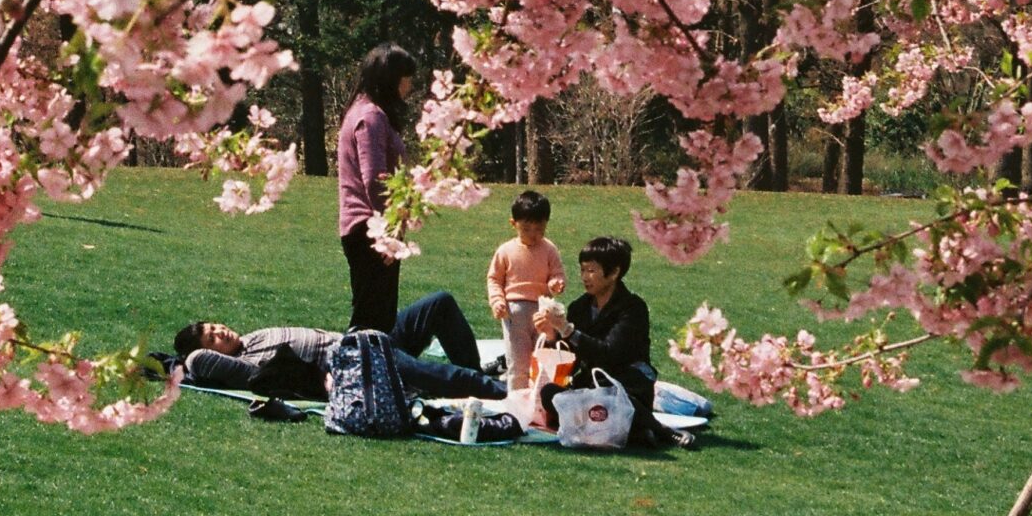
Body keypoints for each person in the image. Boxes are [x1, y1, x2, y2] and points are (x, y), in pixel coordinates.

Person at [171, 289, 503, 402]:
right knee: (424, 372)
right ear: (211, 352)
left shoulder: (253, 337)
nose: (222, 332)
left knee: (439, 303)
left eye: (217, 326)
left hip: (364, 338)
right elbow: (199, 361)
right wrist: (186, 361)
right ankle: (494, 391)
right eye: (213, 337)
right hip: (355, 363)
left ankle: (472, 375)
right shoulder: (250, 367)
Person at [533, 234, 667, 446]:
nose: (585, 277)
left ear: (614, 272)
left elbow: (611, 354)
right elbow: (572, 360)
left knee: (608, 387)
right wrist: (551, 336)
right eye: (583, 270)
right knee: (550, 393)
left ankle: (661, 431)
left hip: (625, 384)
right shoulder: (579, 307)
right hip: (592, 387)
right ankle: (632, 431)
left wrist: (567, 330)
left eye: (592, 270)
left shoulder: (632, 308)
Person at [338, 44, 417, 332]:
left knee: (378, 317)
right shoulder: (370, 116)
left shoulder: (367, 112)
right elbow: (375, 179)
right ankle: (355, 374)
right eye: (406, 77)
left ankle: (370, 372)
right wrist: (392, 230)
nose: (409, 84)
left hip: (372, 228)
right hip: (370, 229)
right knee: (372, 320)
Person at [486, 188, 567, 396]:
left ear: (547, 223)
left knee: (543, 358)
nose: (533, 235)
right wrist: (497, 301)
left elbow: (557, 273)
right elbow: (494, 279)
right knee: (518, 360)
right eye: (527, 229)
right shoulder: (505, 251)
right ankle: (516, 403)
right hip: (515, 311)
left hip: (542, 311)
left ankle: (541, 400)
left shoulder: (549, 249)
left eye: (539, 229)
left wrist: (556, 283)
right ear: (513, 224)